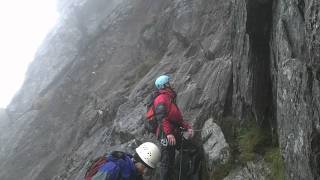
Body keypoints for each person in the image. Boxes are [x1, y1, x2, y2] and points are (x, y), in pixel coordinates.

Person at [153, 75, 194, 180]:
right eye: (169, 82)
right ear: (165, 85)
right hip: (166, 135)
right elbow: (162, 118)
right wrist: (169, 134)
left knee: (190, 149)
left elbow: (176, 118)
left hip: (172, 133)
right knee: (166, 163)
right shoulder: (161, 98)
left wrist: (187, 127)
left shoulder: (169, 97)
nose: (172, 83)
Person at [85, 142, 161, 180]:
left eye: (148, 169)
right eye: (144, 167)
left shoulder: (135, 174)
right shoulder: (113, 168)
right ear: (138, 160)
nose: (145, 171)